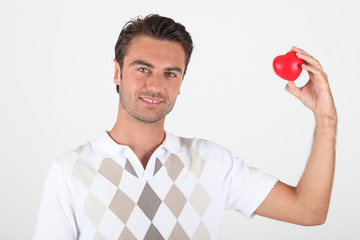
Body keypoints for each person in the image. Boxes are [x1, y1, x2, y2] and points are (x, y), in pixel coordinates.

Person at [33, 14, 337, 240]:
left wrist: (326, 120)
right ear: (117, 72)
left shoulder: (211, 163)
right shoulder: (70, 172)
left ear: (181, 83)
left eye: (170, 73)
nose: (155, 85)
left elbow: (308, 210)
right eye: (143, 69)